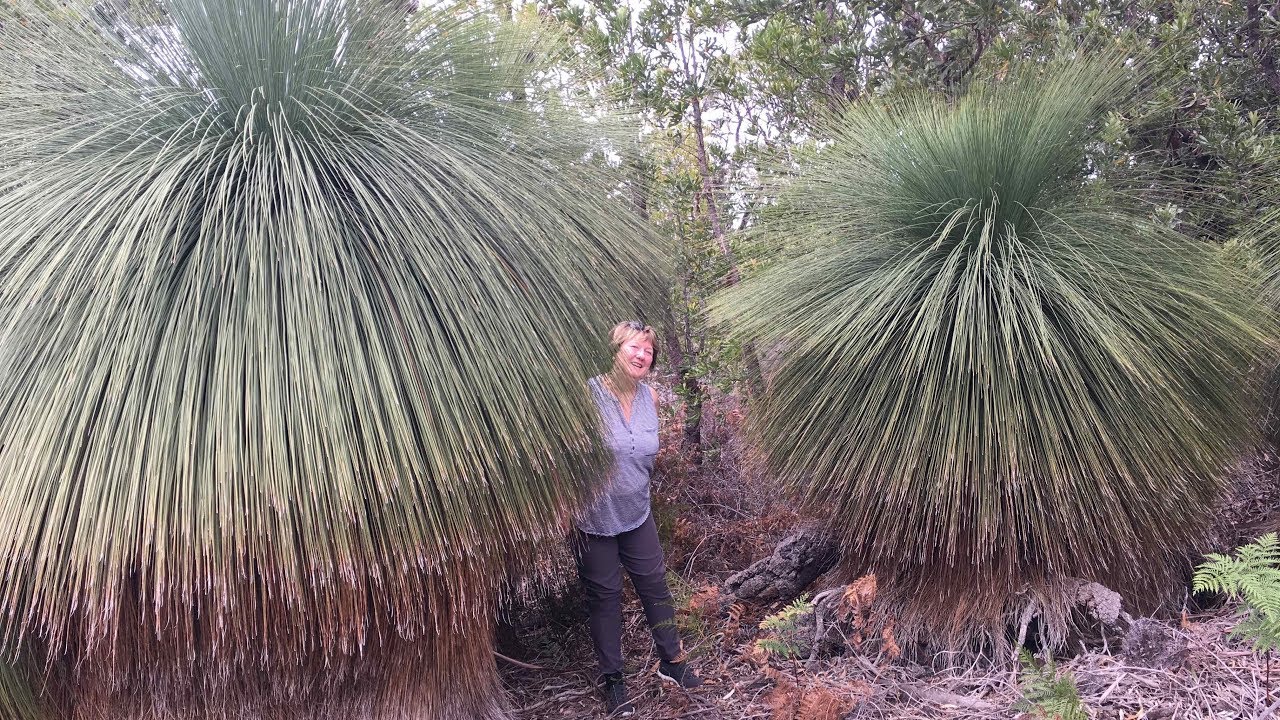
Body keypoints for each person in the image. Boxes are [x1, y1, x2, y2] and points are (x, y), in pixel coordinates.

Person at [573, 320, 703, 717]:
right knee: (605, 599)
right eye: (633, 346)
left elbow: (644, 455)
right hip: (593, 518)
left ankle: (672, 662)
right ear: (614, 350)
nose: (642, 355)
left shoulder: (650, 397)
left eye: (648, 350)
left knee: (655, 588)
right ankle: (613, 680)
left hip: (637, 513)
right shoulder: (587, 395)